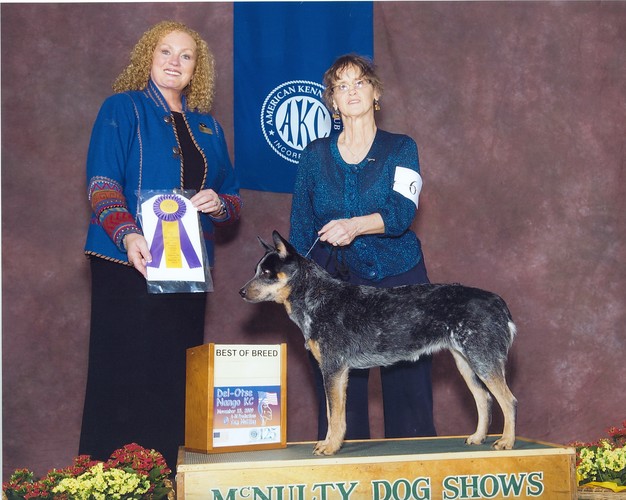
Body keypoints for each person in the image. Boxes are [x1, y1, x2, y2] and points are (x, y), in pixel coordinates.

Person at [79, 20, 241, 471]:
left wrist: (218, 203)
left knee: (173, 376)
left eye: (186, 56)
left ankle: (167, 477)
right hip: (125, 260)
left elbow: (232, 200)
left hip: (186, 268)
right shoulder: (121, 107)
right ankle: (109, 481)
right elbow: (102, 183)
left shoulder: (210, 128)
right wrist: (128, 233)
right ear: (148, 57)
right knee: (123, 375)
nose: (175, 61)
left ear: (196, 69)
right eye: (165, 51)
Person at [289, 54, 436, 441]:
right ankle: (342, 463)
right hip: (333, 288)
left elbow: (401, 212)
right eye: (341, 86)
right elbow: (301, 227)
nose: (351, 91)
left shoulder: (401, 147)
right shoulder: (314, 155)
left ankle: (414, 462)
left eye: (360, 83)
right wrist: (302, 291)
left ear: (375, 93)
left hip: (399, 280)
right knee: (338, 386)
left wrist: (354, 226)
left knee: (409, 387)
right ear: (332, 101)